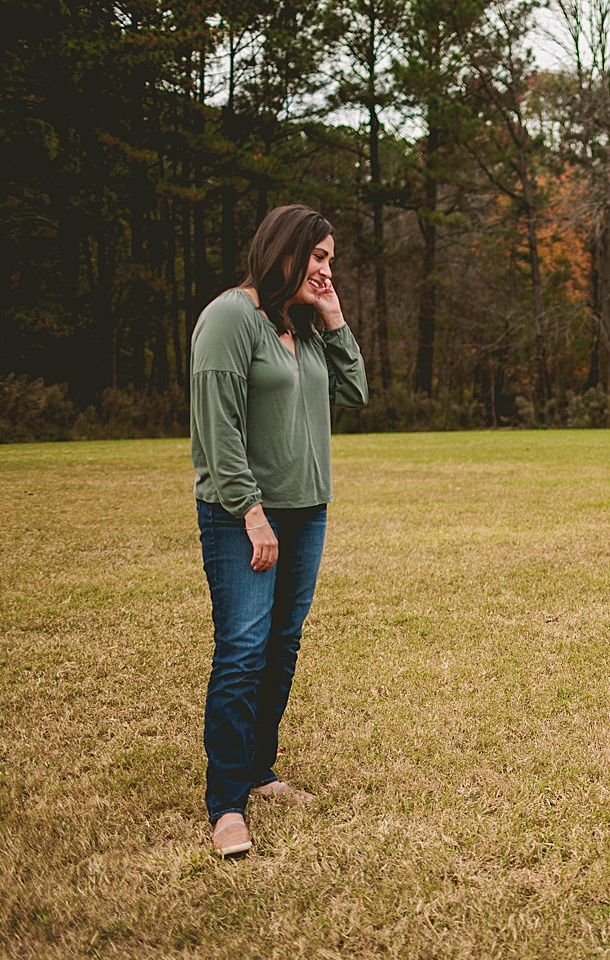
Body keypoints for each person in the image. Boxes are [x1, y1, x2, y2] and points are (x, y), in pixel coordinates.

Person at [190, 204, 369, 857]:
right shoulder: (230, 319)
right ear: (284, 249)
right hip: (244, 514)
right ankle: (226, 804)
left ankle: (257, 770)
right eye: (317, 257)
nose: (325, 270)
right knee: (241, 648)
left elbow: (354, 391)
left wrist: (334, 315)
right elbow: (217, 428)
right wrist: (252, 513)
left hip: (307, 509)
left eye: (330, 261)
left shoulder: (303, 325)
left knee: (282, 645)